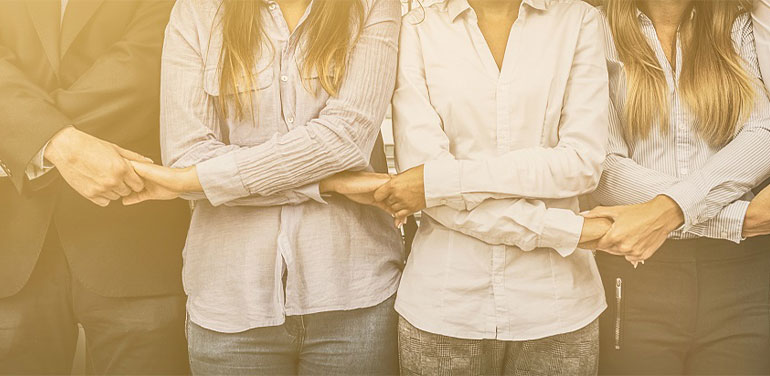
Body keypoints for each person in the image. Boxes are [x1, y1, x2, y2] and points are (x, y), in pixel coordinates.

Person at [121, 0, 404, 374]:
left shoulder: (372, 5)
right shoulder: (197, 10)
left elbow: (345, 139)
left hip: (353, 299)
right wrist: (330, 182)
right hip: (230, 305)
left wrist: (206, 180)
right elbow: (187, 159)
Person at [380, 0, 612, 373]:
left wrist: (448, 181)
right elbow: (421, 180)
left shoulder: (579, 20)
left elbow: (581, 164)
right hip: (444, 311)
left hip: (557, 311)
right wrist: (570, 230)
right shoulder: (418, 28)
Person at [0, 0, 191, 374]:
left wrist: (30, 134)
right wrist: (59, 144)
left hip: (135, 239)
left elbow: (144, 67)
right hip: (14, 247)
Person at [584, 0, 770, 373]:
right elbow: (605, 170)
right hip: (636, 272)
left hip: (743, 277)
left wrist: (667, 210)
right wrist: (740, 218)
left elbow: (761, 135)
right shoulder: (592, 29)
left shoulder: (736, 25)